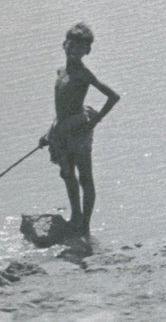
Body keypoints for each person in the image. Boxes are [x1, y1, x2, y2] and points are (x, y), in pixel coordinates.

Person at [38, 23, 120, 237]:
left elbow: (113, 97)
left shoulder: (84, 74)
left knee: (85, 178)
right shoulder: (61, 71)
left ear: (87, 51)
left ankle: (85, 225)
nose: (75, 51)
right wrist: (48, 134)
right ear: (64, 45)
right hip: (61, 129)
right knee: (67, 174)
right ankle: (75, 217)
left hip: (78, 129)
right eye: (72, 46)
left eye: (81, 48)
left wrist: (94, 122)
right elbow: (60, 107)